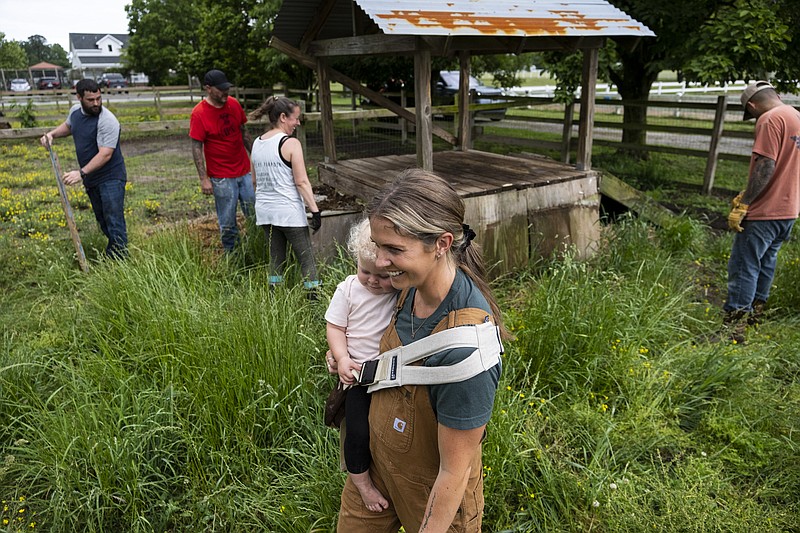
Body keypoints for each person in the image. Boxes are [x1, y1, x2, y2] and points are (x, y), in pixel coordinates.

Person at [332, 169, 508, 532]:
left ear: (442, 244)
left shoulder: (465, 351)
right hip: (377, 466)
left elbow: (452, 474)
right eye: (379, 246)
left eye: (394, 250)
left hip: (432, 493)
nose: (379, 262)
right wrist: (341, 354)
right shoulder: (403, 285)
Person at [325, 219, 398, 513]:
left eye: (381, 275)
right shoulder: (348, 290)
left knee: (386, 430)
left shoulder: (398, 293)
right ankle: (361, 482)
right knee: (357, 431)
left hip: (389, 377)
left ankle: (387, 473)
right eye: (365, 271)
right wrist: (341, 357)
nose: (371, 280)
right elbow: (335, 327)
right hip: (358, 377)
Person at [723, 80, 800, 343]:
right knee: (766, 263)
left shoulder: (769, 119)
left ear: (753, 105)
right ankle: (756, 316)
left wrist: (746, 204)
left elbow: (766, 165)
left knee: (744, 266)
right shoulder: (796, 116)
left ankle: (735, 327)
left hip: (765, 212)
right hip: (788, 210)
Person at [40, 78, 128, 258]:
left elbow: (105, 154)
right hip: (92, 178)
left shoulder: (108, 120)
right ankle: (115, 255)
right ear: (79, 97)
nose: (96, 103)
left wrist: (80, 173)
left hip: (111, 177)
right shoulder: (75, 112)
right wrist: (51, 134)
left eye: (98, 98)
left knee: (114, 219)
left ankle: (120, 260)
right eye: (91, 100)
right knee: (103, 220)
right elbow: (68, 126)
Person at [248, 96, 321, 294]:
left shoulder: (257, 143)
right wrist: (315, 211)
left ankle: (274, 295)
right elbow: (302, 182)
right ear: (282, 117)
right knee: (306, 260)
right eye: (295, 118)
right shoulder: (291, 144)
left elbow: (254, 181)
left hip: (265, 214)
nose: (297, 123)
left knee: (276, 259)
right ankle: (314, 298)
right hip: (289, 214)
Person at [189, 69, 255, 253]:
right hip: (221, 177)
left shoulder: (233, 105)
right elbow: (196, 147)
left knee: (255, 214)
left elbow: (244, 132)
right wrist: (204, 178)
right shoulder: (199, 113)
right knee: (227, 221)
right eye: (221, 89)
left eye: (227, 88)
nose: (225, 92)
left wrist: (255, 158)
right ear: (208, 89)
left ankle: (257, 248)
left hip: (244, 170)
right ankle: (234, 256)